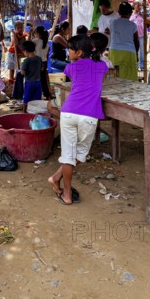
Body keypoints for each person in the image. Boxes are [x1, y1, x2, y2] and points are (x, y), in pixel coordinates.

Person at [47, 35, 108, 205]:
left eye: (70, 49)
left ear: (79, 52)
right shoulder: (102, 66)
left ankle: (63, 189)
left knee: (68, 155)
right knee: (80, 154)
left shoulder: (71, 68)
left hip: (69, 113)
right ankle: (57, 179)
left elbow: (76, 75)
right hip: (89, 115)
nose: (68, 51)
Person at [109, 2, 138, 81]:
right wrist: (136, 54)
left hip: (114, 51)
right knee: (129, 76)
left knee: (115, 74)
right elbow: (136, 41)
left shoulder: (112, 23)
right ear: (131, 13)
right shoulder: (133, 25)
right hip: (129, 51)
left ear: (119, 12)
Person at [19, 41, 42, 111]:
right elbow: (42, 68)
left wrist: (21, 67)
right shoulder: (39, 58)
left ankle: (24, 112)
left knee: (27, 98)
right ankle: (36, 112)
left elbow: (22, 73)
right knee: (37, 99)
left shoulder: (26, 60)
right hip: (38, 82)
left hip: (29, 82)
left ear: (25, 51)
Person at [130, 0, 150, 70]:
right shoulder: (130, 15)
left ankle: (142, 66)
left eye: (140, 5)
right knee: (134, 51)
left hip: (142, 35)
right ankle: (135, 65)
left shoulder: (142, 15)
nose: (139, 7)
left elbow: (149, 22)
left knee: (142, 51)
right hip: (133, 36)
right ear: (134, 6)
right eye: (138, 5)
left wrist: (143, 16)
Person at [32, 26, 51, 100]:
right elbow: (46, 55)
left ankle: (36, 94)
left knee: (35, 78)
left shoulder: (36, 41)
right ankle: (47, 94)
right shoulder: (47, 43)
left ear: (37, 33)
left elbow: (28, 44)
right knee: (43, 79)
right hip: (44, 62)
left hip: (37, 61)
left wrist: (30, 34)